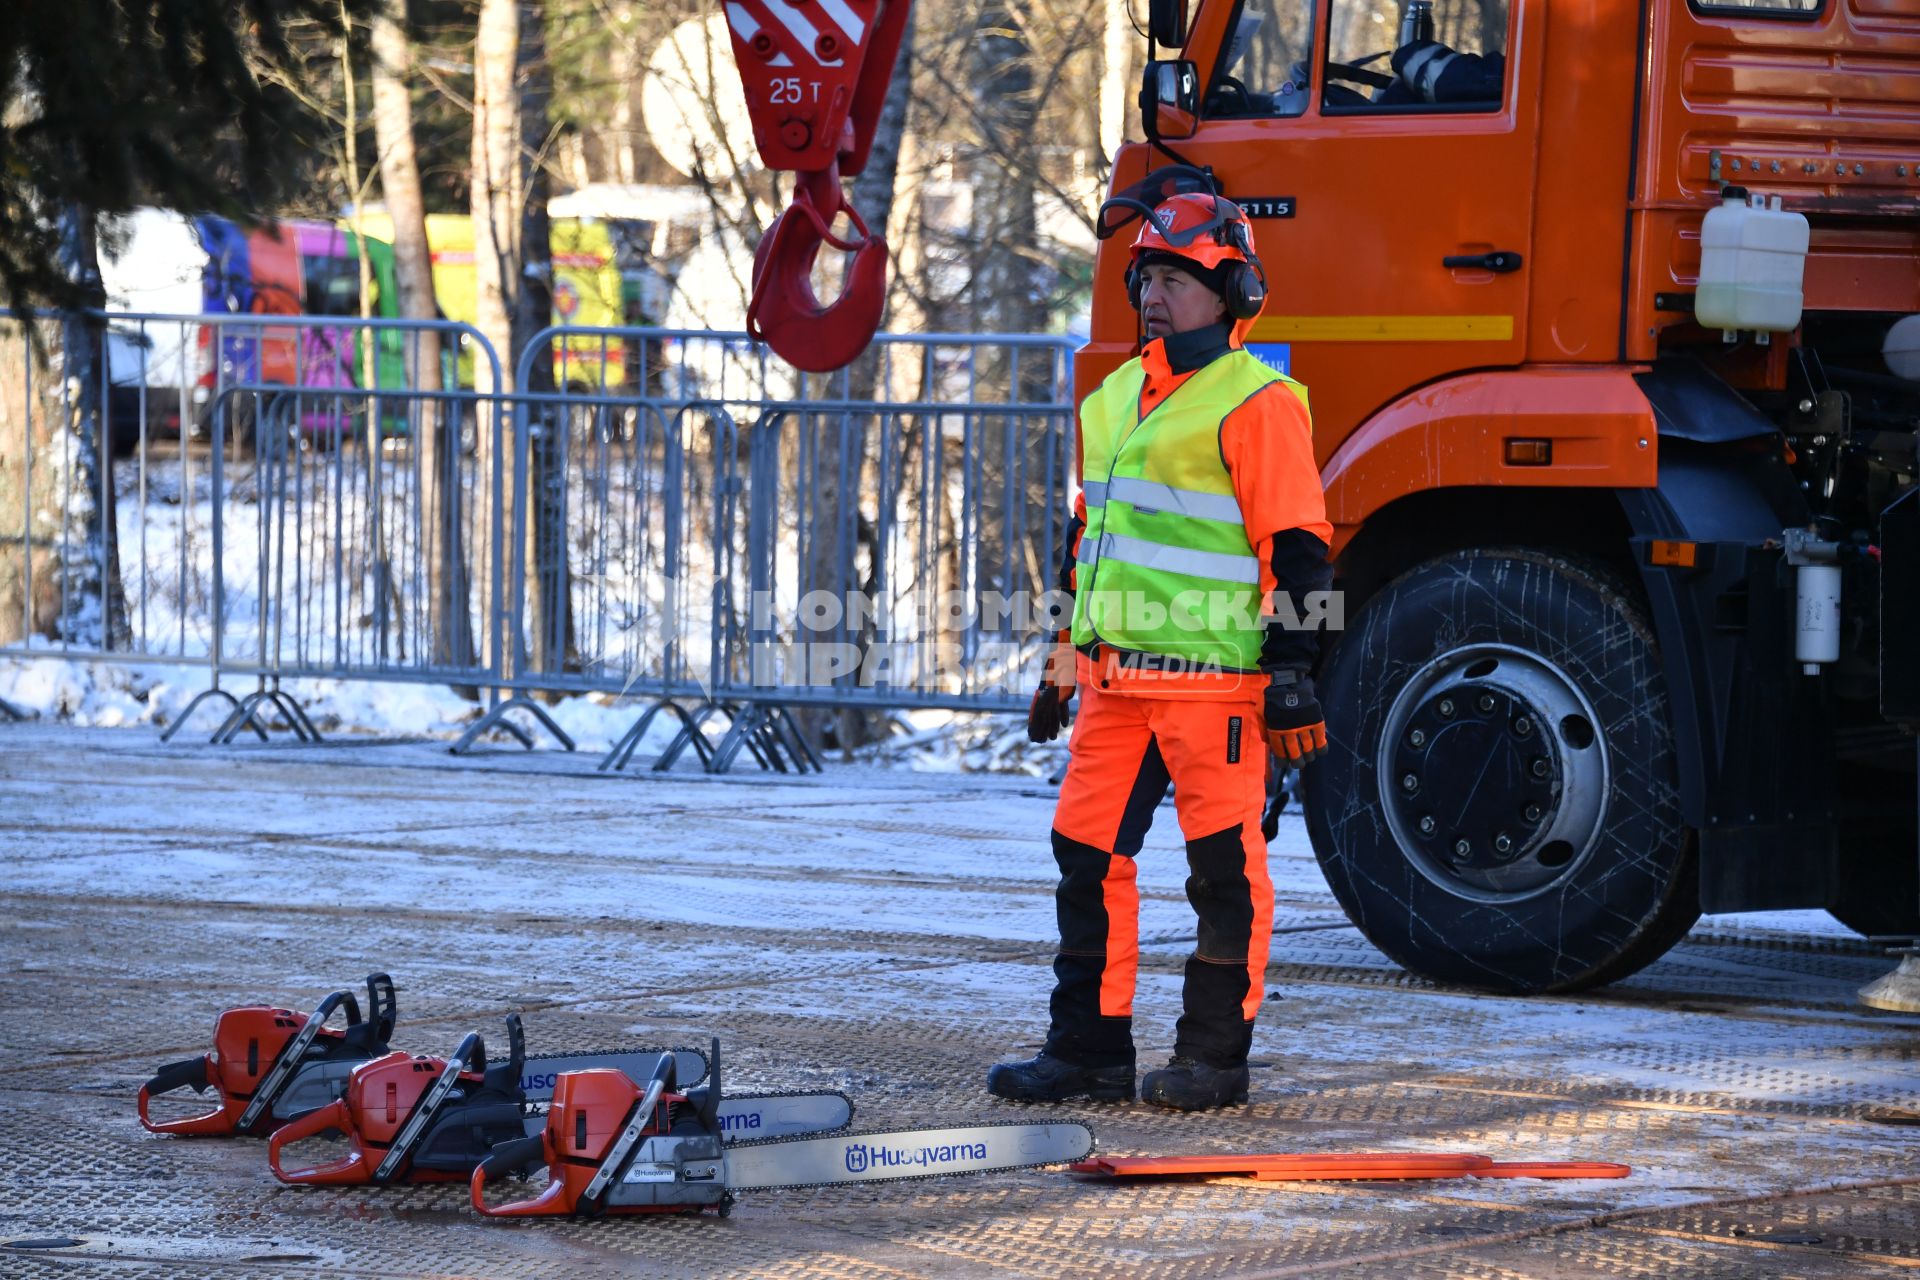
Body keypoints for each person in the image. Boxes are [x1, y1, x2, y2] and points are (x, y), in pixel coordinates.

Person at [989, 191, 1334, 1111]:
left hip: (1214, 689)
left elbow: (1298, 547)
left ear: (1233, 295)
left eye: (1178, 279)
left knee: (1223, 873)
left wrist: (1295, 671)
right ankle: (1089, 1049)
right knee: (1086, 858)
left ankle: (1214, 1059)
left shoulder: (1259, 402)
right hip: (1112, 687)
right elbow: (1087, 539)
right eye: (1148, 278)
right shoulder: (1110, 400)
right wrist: (1063, 655)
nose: (1155, 295)